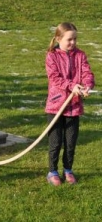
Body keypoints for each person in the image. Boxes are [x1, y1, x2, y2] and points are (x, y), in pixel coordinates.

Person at [45, 22, 94, 186]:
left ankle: (68, 169)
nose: (73, 43)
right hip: (56, 107)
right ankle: (52, 171)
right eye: (69, 39)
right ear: (58, 38)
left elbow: (87, 73)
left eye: (75, 39)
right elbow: (55, 77)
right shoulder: (52, 55)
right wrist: (71, 85)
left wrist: (87, 86)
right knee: (56, 142)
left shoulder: (80, 55)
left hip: (74, 107)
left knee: (71, 142)